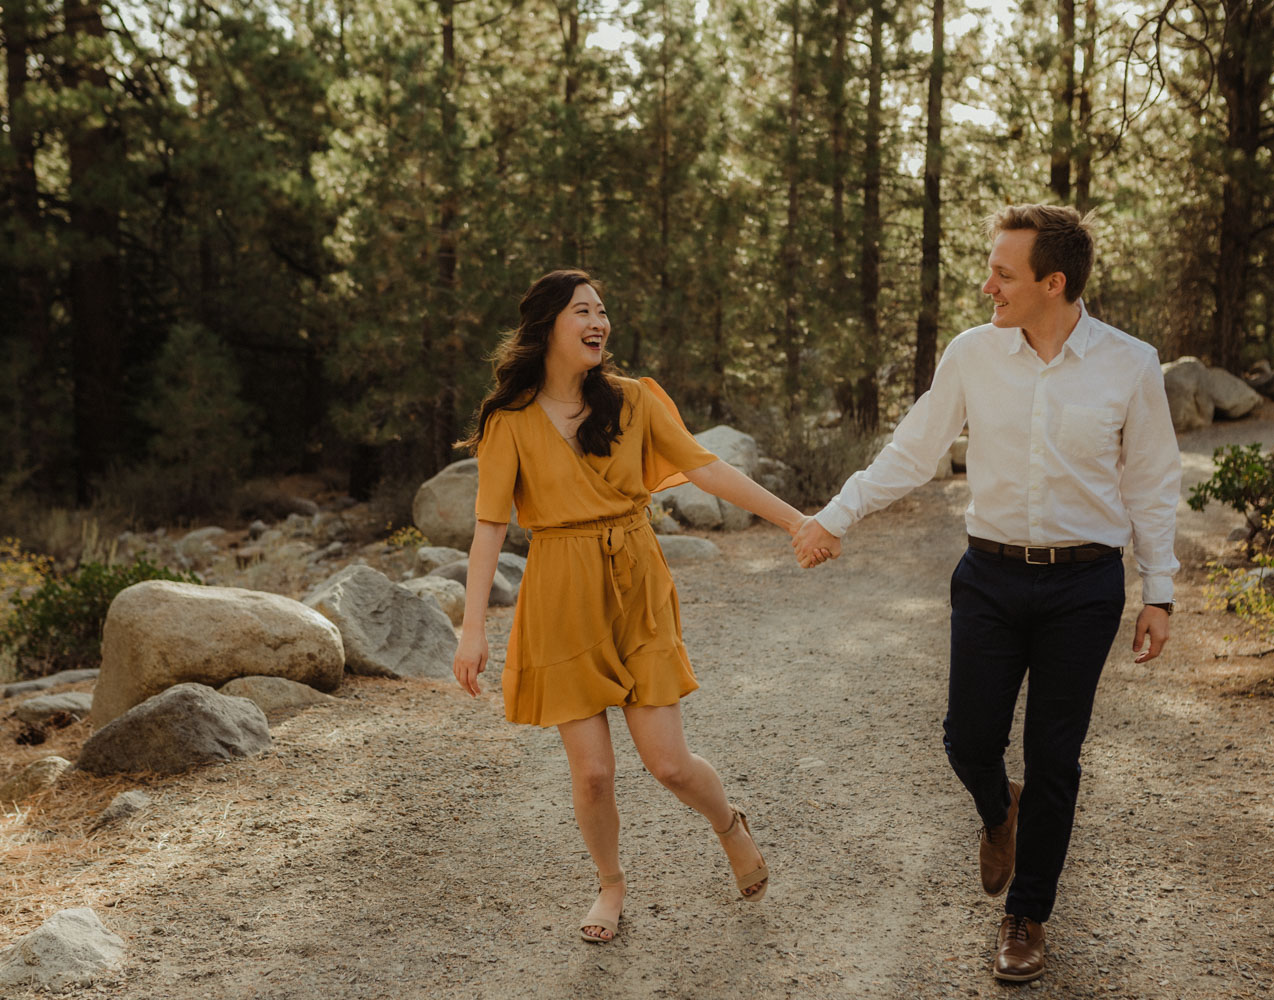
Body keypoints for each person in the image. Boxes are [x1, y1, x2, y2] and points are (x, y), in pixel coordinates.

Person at [794, 205, 1180, 982]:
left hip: (1085, 584)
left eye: (1003, 273)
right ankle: (998, 809)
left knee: (1055, 756)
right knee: (968, 739)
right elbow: (915, 450)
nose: (987, 285)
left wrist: (1158, 590)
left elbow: (1150, 481)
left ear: (1053, 282)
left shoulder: (1131, 364)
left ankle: (1026, 915)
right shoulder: (973, 353)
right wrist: (833, 516)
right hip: (991, 576)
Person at [452, 269, 827, 945]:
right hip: (559, 595)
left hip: (634, 584)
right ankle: (611, 885)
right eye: (583, 312)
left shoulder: (633, 400)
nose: (599, 323)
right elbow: (488, 527)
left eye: (602, 312)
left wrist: (796, 520)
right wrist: (472, 628)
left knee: (669, 764)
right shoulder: (506, 422)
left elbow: (707, 468)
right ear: (546, 327)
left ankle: (729, 824)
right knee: (593, 774)